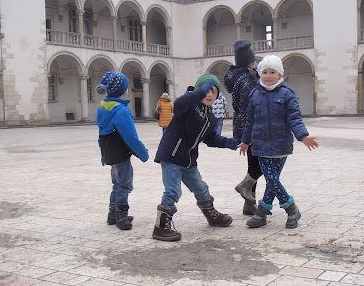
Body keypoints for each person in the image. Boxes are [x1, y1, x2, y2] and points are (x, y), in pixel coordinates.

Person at [152, 74, 238, 241]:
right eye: (207, 90)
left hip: (189, 160)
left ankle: (212, 216)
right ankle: (161, 227)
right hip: (171, 155)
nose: (210, 94)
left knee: (201, 188)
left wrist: (229, 142)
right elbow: (178, 104)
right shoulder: (188, 106)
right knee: (173, 191)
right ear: (199, 91)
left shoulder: (210, 117)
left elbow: (210, 138)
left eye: (214, 91)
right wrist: (198, 94)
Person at [238, 55, 319, 229]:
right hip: (260, 146)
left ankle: (266, 213)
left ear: (280, 74)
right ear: (260, 74)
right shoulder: (254, 94)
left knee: (272, 180)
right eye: (264, 72)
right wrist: (245, 141)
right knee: (272, 179)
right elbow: (250, 121)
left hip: (281, 144)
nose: (268, 76)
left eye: (272, 72)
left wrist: (303, 136)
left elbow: (294, 119)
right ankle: (285, 210)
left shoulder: (287, 93)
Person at [95, 71, 149, 231]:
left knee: (116, 184)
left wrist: (103, 155)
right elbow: (131, 138)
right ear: (122, 91)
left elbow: (101, 136)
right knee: (124, 185)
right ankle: (121, 217)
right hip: (121, 155)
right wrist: (143, 153)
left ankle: (112, 215)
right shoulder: (121, 112)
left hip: (111, 154)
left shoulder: (103, 109)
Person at [224, 39, 262, 215]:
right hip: (251, 125)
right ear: (251, 61)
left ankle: (249, 205)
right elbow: (252, 106)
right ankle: (245, 187)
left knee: (253, 162)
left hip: (241, 124)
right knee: (261, 162)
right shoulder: (248, 78)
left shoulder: (238, 77)